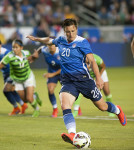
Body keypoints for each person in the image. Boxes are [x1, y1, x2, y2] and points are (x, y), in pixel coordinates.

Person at [26, 18, 127, 146]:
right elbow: (49, 40)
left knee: (102, 106)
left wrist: (99, 78)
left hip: (84, 80)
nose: (70, 34)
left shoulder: (82, 42)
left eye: (73, 31)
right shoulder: (61, 40)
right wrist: (36, 39)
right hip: (68, 81)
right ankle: (72, 134)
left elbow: (92, 61)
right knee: (65, 104)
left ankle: (117, 110)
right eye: (67, 32)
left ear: (76, 30)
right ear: (64, 31)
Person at [0, 39, 42, 117]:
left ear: (21, 48)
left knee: (29, 98)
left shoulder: (26, 53)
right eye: (13, 47)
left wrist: (35, 57)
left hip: (28, 77)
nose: (14, 49)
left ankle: (36, 109)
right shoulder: (9, 56)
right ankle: (34, 95)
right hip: (17, 79)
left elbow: (30, 59)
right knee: (25, 100)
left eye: (16, 47)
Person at [0, 36, 28, 115]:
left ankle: (17, 107)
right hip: (5, 73)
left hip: (13, 72)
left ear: (0, 45)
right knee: (10, 91)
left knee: (6, 91)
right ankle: (23, 105)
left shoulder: (6, 53)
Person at [31, 45, 60, 118]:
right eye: (49, 45)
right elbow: (41, 48)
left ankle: (77, 108)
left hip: (64, 72)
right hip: (51, 72)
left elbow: (65, 67)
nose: (51, 46)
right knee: (50, 89)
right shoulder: (45, 50)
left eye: (53, 44)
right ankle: (55, 108)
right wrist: (36, 53)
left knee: (69, 91)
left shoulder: (62, 52)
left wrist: (52, 74)